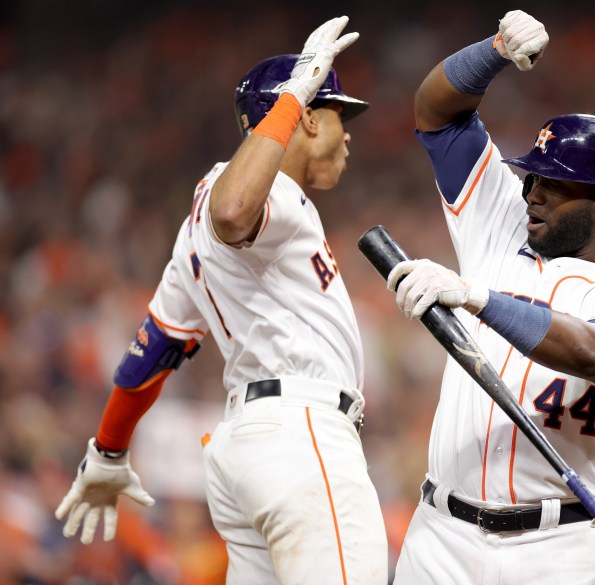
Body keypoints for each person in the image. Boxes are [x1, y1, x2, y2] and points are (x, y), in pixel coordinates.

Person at [54, 16, 388, 584]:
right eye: (336, 114)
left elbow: (154, 347)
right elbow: (234, 212)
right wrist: (296, 90)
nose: (348, 132)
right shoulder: (257, 194)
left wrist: (109, 450)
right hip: (301, 435)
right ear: (303, 115)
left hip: (249, 446)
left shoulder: (195, 235)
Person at [386, 10, 595, 584]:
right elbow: (436, 114)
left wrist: (477, 298)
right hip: (440, 535)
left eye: (553, 183)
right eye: (532, 177)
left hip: (554, 548)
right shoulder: (501, 219)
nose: (532, 193)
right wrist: (493, 50)